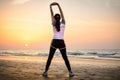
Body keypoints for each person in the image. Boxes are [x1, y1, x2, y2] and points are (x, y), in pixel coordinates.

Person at [42, 2, 74, 77]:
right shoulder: (63, 22)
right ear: (60, 18)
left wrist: (50, 7)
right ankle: (70, 72)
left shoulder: (53, 23)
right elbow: (62, 13)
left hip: (54, 42)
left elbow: (51, 14)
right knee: (65, 58)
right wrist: (58, 5)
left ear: (54, 18)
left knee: (50, 57)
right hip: (61, 42)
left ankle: (45, 72)